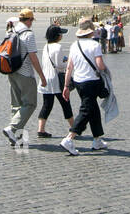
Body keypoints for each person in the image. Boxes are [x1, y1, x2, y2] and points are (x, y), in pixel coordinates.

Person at [59, 18, 107, 155]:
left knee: (93, 108)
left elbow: (69, 67)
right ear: (91, 31)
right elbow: (100, 65)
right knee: (86, 110)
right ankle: (69, 138)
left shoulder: (74, 45)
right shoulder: (94, 45)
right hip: (91, 81)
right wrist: (106, 71)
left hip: (79, 82)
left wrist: (66, 86)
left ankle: (97, 139)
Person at [2, 9, 44, 146]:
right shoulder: (28, 34)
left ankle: (16, 138)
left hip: (11, 71)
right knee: (30, 104)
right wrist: (41, 76)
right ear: (30, 20)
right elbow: (33, 58)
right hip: (25, 73)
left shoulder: (10, 31)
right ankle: (12, 129)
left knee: (16, 105)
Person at [36, 23, 72, 138]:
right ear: (57, 36)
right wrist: (68, 61)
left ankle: (41, 129)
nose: (62, 35)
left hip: (46, 79)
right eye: (60, 33)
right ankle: (74, 128)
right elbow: (60, 64)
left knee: (47, 104)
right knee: (65, 103)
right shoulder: (58, 47)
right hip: (56, 79)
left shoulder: (45, 46)